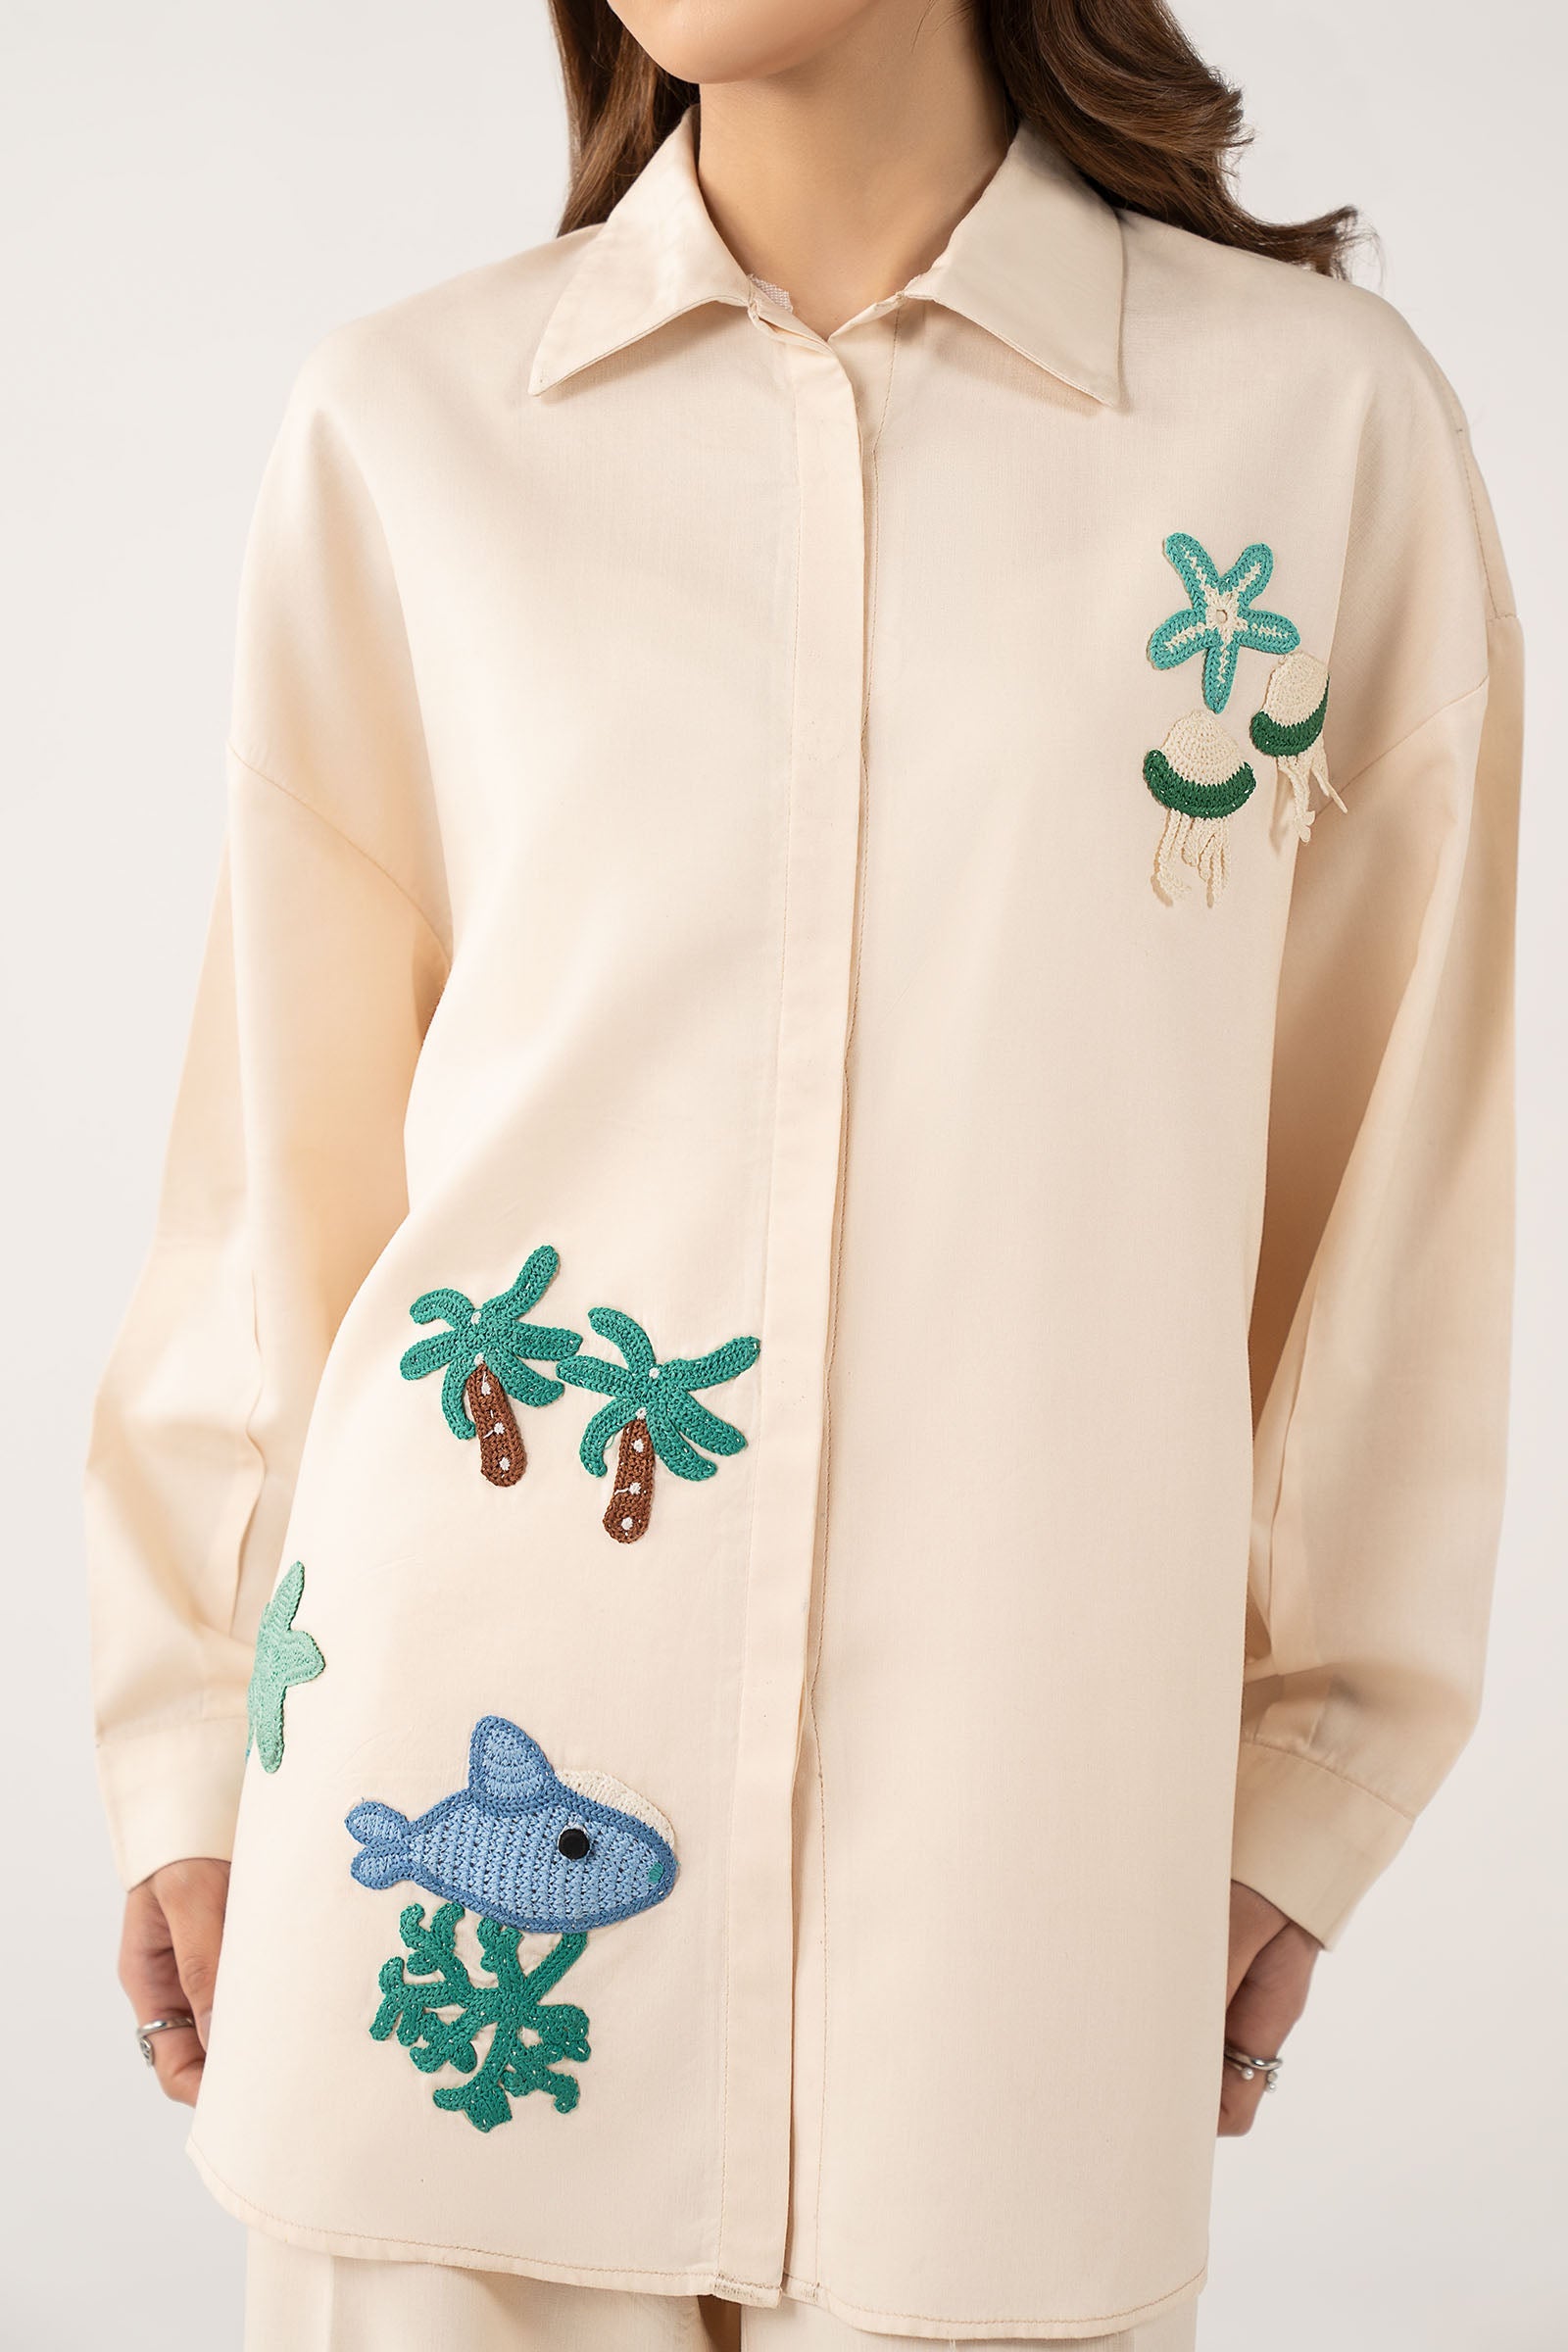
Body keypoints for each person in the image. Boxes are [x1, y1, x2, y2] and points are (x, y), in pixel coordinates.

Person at [88, 1, 1521, 2346]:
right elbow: (276, 1167)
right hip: (440, 1840)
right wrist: (182, 1732)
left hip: (1012, 1891)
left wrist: (1315, 1769)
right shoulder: (410, 425)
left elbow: (1389, 1177)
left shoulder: (1307, 431)